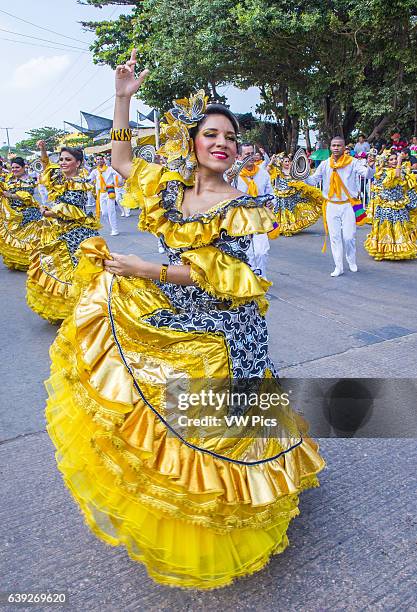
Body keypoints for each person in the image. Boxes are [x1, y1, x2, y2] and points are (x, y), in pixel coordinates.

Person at [44, 49, 324, 590]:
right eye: (211, 134)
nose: (222, 143)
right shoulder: (171, 190)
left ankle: (232, 515)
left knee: (225, 423)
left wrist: (146, 268)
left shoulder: (239, 203)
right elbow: (124, 162)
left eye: (231, 137)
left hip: (227, 325)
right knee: (156, 399)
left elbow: (218, 275)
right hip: (178, 312)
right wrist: (123, 98)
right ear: (192, 142)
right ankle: (186, 507)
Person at [26, 142, 101, 323]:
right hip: (59, 231)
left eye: (68, 159)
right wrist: (43, 150)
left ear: (78, 163)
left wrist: (49, 212)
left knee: (77, 271)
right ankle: (68, 309)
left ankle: (84, 309)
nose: (63, 162)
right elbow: (46, 166)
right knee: (56, 268)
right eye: (61, 159)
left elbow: (72, 210)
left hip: (77, 234)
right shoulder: (59, 178)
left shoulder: (80, 183)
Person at [305, 135, 375, 276]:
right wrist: (302, 174)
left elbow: (367, 175)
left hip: (348, 205)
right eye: (333, 145)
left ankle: (351, 260)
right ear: (330, 147)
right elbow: (313, 181)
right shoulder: (325, 164)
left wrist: (371, 165)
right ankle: (338, 266)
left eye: (339, 145)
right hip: (331, 205)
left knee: (349, 237)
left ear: (344, 148)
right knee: (335, 237)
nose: (336, 148)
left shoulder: (354, 162)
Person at [232, 142, 275, 276]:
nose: (250, 157)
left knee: (261, 251)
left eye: (252, 154)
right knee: (247, 252)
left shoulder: (263, 174)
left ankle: (261, 280)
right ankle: (249, 282)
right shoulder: (232, 175)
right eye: (247, 154)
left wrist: (271, 202)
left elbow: (271, 194)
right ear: (238, 157)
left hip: (260, 216)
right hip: (240, 218)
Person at [364, 152, 417, 260]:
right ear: (386, 162)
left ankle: (398, 251)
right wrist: (399, 160)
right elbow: (395, 177)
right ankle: (385, 251)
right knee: (386, 229)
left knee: (399, 229)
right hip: (386, 205)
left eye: (395, 159)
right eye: (391, 160)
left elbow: (405, 183)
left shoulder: (402, 171)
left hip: (399, 205)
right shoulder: (383, 172)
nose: (394, 161)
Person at [0, 157, 46, 270]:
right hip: (11, 210)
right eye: (13, 167)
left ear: (24, 167)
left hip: (26, 211)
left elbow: (27, 195)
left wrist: (10, 195)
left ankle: (30, 261)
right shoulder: (9, 179)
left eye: (17, 167)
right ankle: (18, 262)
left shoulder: (28, 180)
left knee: (30, 234)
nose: (14, 170)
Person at [267, 153, 323, 236]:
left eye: (288, 161)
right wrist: (271, 161)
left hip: (291, 195)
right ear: (281, 162)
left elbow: (301, 178)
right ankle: (279, 227)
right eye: (285, 161)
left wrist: (298, 185)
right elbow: (268, 169)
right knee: (280, 212)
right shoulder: (278, 171)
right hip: (280, 194)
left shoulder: (293, 171)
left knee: (290, 211)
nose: (287, 163)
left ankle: (289, 227)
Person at [88, 155, 119, 235]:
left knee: (111, 211)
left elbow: (119, 173)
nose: (99, 161)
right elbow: (89, 179)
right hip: (101, 194)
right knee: (104, 213)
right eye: (97, 159)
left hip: (109, 192)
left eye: (100, 159)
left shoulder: (110, 169)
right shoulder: (95, 171)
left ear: (104, 160)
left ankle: (114, 229)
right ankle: (111, 226)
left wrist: (117, 182)